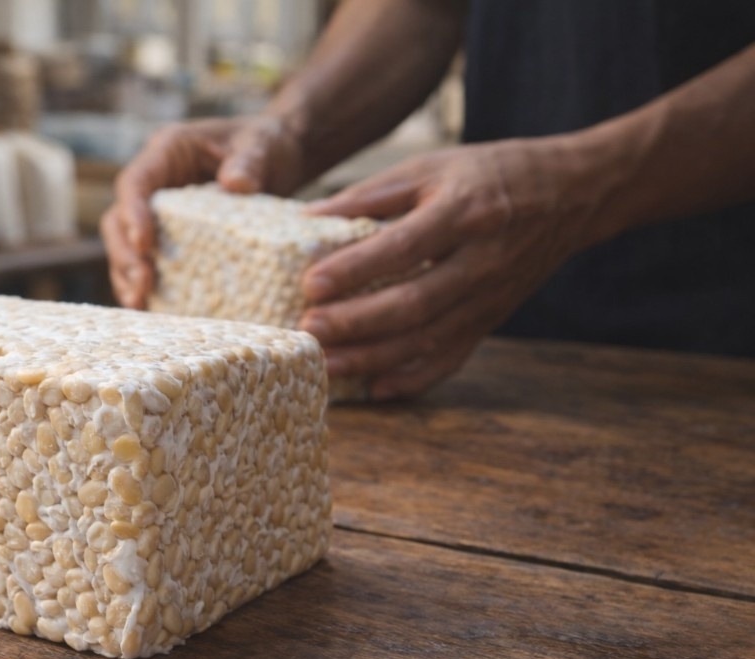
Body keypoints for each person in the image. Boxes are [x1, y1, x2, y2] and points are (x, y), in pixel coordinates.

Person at [101, 0, 755, 400]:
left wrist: (588, 181)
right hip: (496, 345)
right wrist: (286, 129)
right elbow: (425, 4)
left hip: (726, 336)